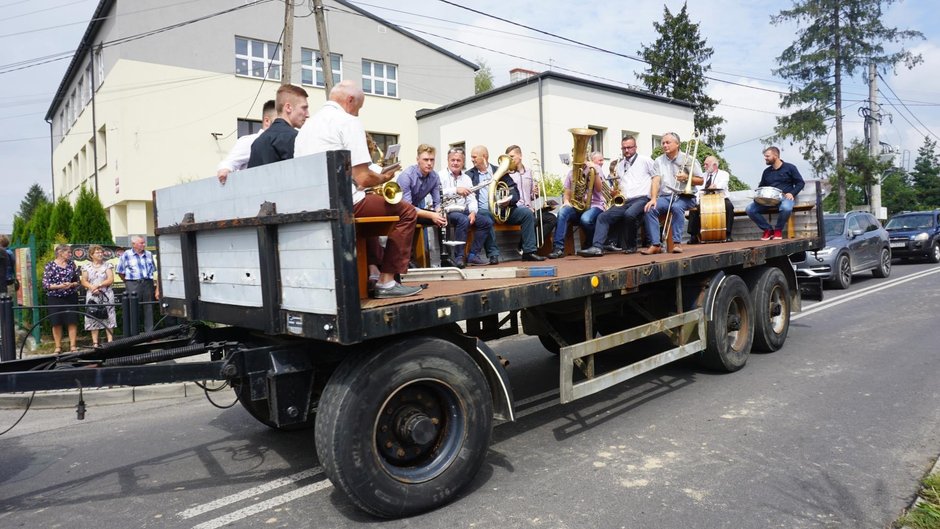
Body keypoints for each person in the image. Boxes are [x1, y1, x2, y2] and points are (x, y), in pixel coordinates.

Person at [294, 80, 420, 299]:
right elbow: (362, 176)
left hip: (313, 204)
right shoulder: (347, 121)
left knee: (372, 216)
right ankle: (387, 282)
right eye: (358, 108)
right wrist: (382, 177)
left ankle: (372, 272)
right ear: (350, 100)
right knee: (407, 212)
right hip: (343, 202)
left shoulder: (306, 127)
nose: (357, 113)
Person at [579, 136, 657, 256]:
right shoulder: (620, 165)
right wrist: (615, 192)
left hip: (642, 198)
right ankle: (597, 247)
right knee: (603, 216)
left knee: (629, 215)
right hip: (625, 200)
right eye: (624, 148)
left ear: (635, 147)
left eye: (629, 147)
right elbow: (622, 184)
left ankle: (631, 246)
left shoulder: (645, 160)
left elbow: (656, 177)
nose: (626, 150)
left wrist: (653, 198)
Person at [641, 132, 704, 255]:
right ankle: (655, 244)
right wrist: (653, 198)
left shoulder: (689, 159)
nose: (664, 145)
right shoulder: (658, 161)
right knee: (650, 208)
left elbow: (701, 181)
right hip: (666, 196)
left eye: (668, 142)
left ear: (677, 144)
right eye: (663, 143)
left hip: (685, 196)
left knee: (676, 207)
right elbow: (655, 180)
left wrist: (686, 178)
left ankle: (677, 243)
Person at [396, 144, 450, 266]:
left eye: (432, 160)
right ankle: (407, 260)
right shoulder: (406, 176)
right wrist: (432, 215)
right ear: (418, 160)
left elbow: (437, 203)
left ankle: (445, 257)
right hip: (400, 212)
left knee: (445, 219)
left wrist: (440, 212)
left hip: (415, 211)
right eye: (426, 160)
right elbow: (407, 208)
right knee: (410, 218)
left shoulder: (435, 177)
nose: (429, 163)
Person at [500, 145, 554, 261]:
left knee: (551, 218)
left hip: (530, 209)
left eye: (512, 156)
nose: (510, 159)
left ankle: (522, 245)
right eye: (508, 157)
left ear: (520, 156)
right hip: (515, 209)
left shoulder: (529, 172)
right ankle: (528, 249)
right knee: (531, 217)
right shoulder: (506, 174)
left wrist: (535, 193)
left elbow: (531, 196)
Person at [440, 148, 493, 267]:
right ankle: (459, 257)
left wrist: (473, 212)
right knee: (463, 220)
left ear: (463, 162)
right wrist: (455, 190)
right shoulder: (440, 175)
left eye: (458, 160)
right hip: (448, 210)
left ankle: (473, 255)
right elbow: (438, 194)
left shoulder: (466, 178)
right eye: (452, 160)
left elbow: (472, 198)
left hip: (463, 210)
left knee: (486, 222)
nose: (455, 163)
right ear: (448, 161)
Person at [549, 151, 606, 258]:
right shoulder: (571, 173)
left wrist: (595, 171)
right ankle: (558, 248)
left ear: (586, 155)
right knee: (562, 212)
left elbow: (599, 189)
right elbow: (567, 193)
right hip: (577, 205)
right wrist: (566, 202)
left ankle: (590, 244)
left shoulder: (595, 169)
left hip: (595, 205)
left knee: (586, 219)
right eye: (574, 155)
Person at [747, 146, 805, 240]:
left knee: (786, 207)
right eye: (765, 156)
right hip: (768, 199)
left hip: (784, 197)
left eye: (767, 156)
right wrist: (757, 197)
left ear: (776, 155)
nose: (765, 158)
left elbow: (800, 183)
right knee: (750, 209)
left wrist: (792, 193)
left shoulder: (790, 167)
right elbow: (761, 187)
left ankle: (778, 230)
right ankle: (768, 230)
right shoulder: (766, 172)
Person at [247, 84, 309, 168]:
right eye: (304, 108)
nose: (307, 114)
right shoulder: (295, 138)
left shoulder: (257, 142)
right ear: (288, 107)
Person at [217, 99, 276, 184]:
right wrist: (225, 170)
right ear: (267, 121)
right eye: (279, 121)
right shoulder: (251, 141)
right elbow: (229, 163)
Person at [116, 235, 159, 333]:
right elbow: (120, 271)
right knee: (133, 308)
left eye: (144, 243)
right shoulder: (126, 254)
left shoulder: (149, 254)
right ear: (133, 244)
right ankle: (134, 333)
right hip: (133, 283)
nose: (144, 245)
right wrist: (128, 282)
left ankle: (149, 334)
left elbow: (153, 270)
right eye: (141, 243)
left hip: (148, 283)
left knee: (149, 308)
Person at [687, 155, 735, 243]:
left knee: (729, 207)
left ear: (715, 165)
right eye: (704, 164)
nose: (704, 166)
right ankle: (693, 236)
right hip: (705, 199)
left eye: (706, 164)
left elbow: (723, 185)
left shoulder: (724, 174)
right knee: (693, 208)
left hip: (720, 198)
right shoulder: (702, 176)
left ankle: (728, 234)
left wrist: (716, 186)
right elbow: (698, 190)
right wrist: (697, 201)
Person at [466, 146, 500, 264]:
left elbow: (512, 189)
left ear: (484, 157)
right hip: (481, 210)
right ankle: (493, 254)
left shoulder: (498, 171)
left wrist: (509, 200)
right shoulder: (469, 175)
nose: (472, 159)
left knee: (526, 213)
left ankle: (529, 251)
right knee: (486, 215)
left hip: (501, 208)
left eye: (474, 157)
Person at [42, 244, 79, 353]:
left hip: (70, 296)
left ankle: (73, 345)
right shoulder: (50, 266)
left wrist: (71, 284)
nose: (70, 254)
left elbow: (77, 281)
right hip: (55, 297)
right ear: (60, 253)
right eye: (68, 252)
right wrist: (60, 286)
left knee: (72, 320)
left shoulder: (72, 264)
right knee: (56, 321)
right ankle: (58, 346)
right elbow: (46, 285)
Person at [80, 245, 116, 347]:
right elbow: (83, 280)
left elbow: (110, 279)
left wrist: (99, 285)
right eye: (97, 252)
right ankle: (95, 342)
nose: (100, 254)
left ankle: (110, 341)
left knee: (109, 316)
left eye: (101, 252)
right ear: (91, 255)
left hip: (106, 294)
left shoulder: (107, 265)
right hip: (92, 295)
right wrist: (92, 287)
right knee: (92, 316)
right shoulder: (86, 266)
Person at [0, 234, 14, 299]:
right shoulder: (10, 252)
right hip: (9, 279)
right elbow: (13, 264)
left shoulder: (2, 252)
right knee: (9, 301)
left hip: (3, 280)